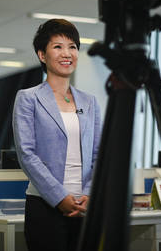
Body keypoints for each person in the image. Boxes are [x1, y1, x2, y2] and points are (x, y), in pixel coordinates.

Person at [12, 19, 102, 251]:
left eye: (72, 46)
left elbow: (98, 154)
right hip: (45, 205)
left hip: (84, 205)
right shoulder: (28, 98)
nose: (67, 53)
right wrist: (60, 197)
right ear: (42, 55)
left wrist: (90, 193)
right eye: (58, 46)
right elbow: (27, 154)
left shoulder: (89, 101)